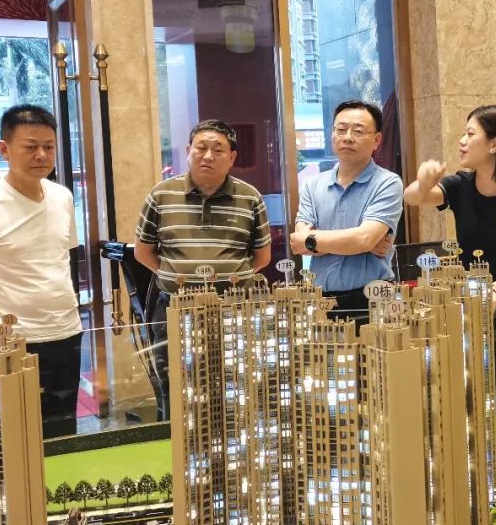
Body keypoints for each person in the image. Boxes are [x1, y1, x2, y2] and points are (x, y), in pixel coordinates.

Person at [0, 105, 82, 438]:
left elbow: (62, 260)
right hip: (10, 342)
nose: (42, 155)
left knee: (64, 432)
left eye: (49, 146)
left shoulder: (62, 197)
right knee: (13, 437)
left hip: (66, 331)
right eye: (30, 146)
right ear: (4, 149)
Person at [404, 104, 496, 391]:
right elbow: (412, 198)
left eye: (471, 134)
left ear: (495, 144)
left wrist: (494, 291)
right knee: (473, 396)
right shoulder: (460, 185)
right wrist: (423, 183)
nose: (462, 141)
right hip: (468, 316)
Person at [134, 119, 272, 410]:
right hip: (174, 310)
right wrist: (174, 275)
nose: (208, 156)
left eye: (218, 150)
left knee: (236, 392)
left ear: (232, 157)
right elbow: (143, 252)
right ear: (188, 151)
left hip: (234, 313)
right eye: (201, 148)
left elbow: (262, 257)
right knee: (175, 393)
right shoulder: (161, 195)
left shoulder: (250, 198)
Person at [290, 100, 403, 325]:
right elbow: (298, 244)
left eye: (358, 131)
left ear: (377, 140)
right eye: (341, 129)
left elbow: (363, 239)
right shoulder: (313, 185)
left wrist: (318, 240)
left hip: (372, 299)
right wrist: (357, 243)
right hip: (322, 300)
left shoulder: (388, 183)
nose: (348, 137)